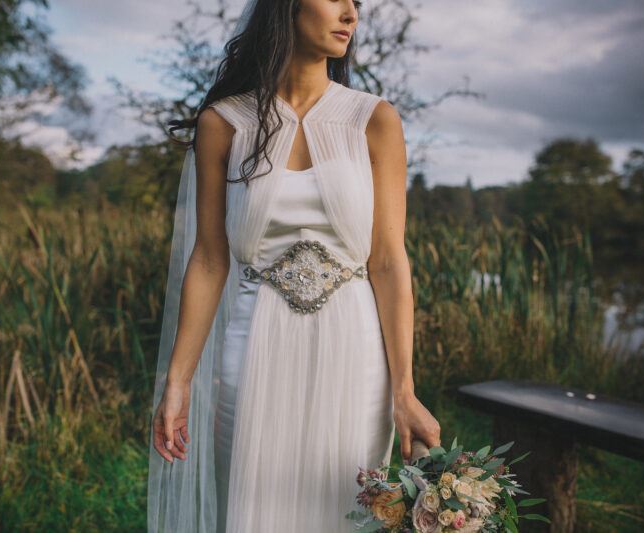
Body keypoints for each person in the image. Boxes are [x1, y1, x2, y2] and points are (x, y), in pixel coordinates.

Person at [147, 0, 441, 531]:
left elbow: (389, 262)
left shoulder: (374, 119)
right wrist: (178, 381)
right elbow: (210, 259)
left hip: (355, 353)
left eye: (355, 4)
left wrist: (404, 389)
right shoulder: (224, 123)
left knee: (346, 505)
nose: (350, 14)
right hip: (252, 341)